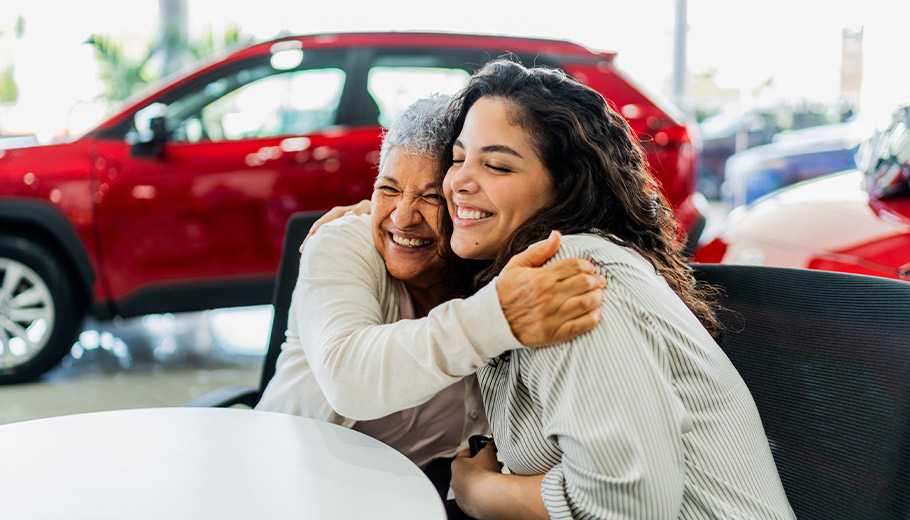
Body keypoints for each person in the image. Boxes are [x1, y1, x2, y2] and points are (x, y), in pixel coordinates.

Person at [443, 61, 796, 519]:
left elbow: (629, 506)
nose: (459, 182)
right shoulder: (524, 278)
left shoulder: (571, 273)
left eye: (496, 165)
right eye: (457, 158)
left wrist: (480, 492)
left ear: (564, 187)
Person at [255, 95, 605, 500]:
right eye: (388, 188)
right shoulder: (344, 242)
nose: (403, 216)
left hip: (409, 500)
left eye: (432, 198)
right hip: (287, 489)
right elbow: (348, 376)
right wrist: (495, 318)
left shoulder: (495, 265)